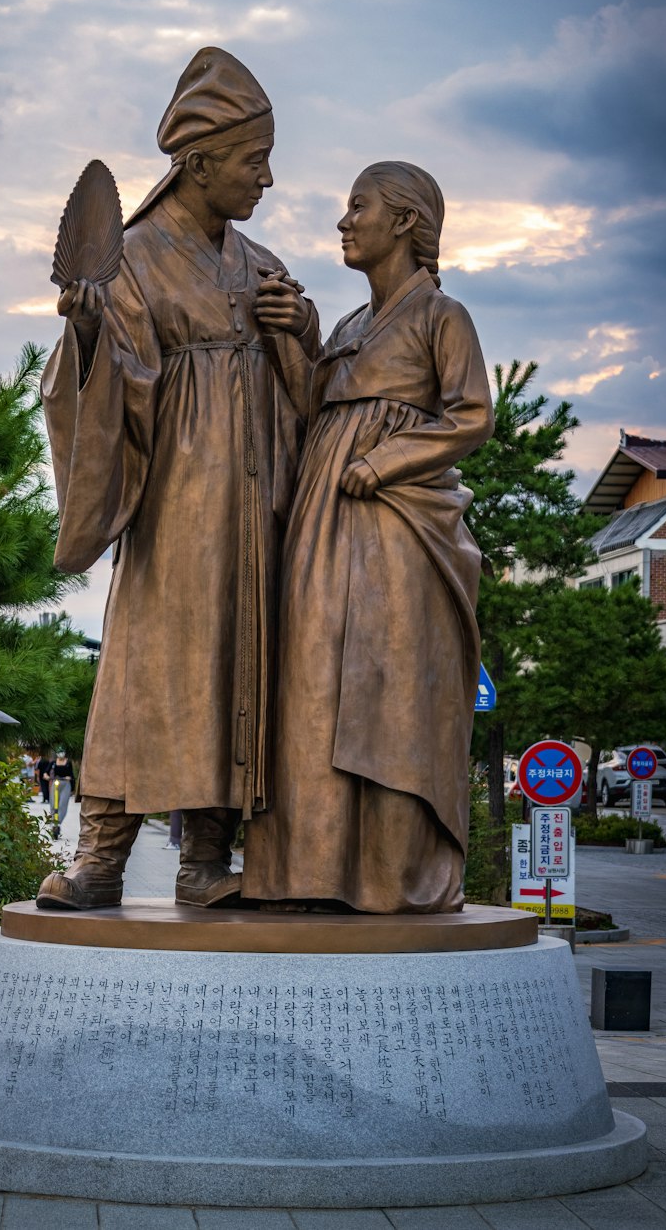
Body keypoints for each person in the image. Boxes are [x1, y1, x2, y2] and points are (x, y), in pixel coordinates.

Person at [37, 47, 315, 910]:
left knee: (240, 671)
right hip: (175, 512)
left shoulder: (263, 266)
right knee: (145, 673)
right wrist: (88, 335)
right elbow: (93, 391)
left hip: (254, 514)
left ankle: (205, 862)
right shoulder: (132, 261)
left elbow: (320, 398)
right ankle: (100, 860)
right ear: (197, 163)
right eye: (252, 160)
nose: (266, 178)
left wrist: (298, 331)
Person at [243, 161, 494, 913]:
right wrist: (293, 338)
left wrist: (386, 459)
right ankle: (312, 869)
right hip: (323, 523)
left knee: (385, 693)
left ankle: (388, 876)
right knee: (312, 686)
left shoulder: (440, 315)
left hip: (397, 527)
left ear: (408, 222)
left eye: (359, 206)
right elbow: (311, 411)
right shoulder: (351, 326)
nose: (344, 220)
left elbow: (473, 414)